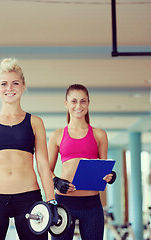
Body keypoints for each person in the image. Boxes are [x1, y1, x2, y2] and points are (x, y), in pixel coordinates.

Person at [0, 58, 57, 240]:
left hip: (29, 198)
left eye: (15, 83)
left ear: (23, 86)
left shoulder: (35, 122)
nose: (10, 88)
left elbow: (43, 166)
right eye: (4, 84)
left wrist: (51, 200)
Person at [48, 83, 115, 240]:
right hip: (64, 203)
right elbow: (46, 170)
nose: (78, 105)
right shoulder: (57, 135)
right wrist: (56, 181)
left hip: (91, 205)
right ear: (66, 104)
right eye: (74, 101)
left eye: (83, 101)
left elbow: (103, 169)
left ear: (88, 103)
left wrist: (110, 175)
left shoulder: (99, 134)